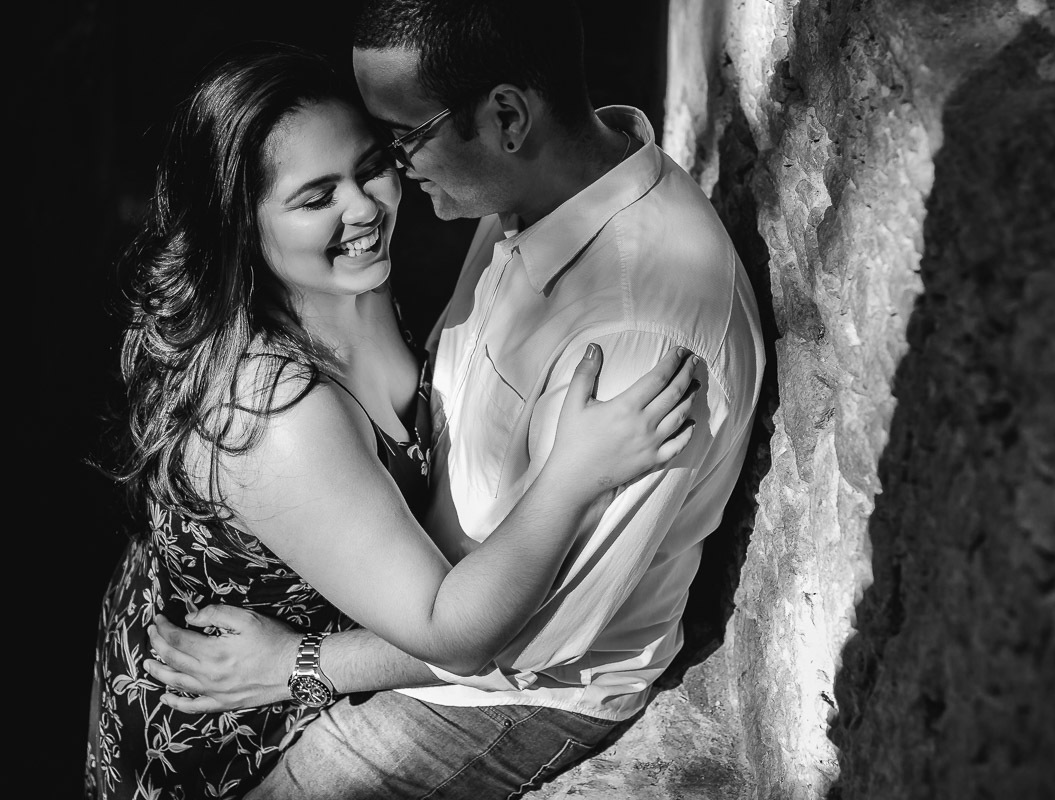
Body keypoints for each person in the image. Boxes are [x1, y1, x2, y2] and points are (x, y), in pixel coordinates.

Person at [147, 0, 767, 796]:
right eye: (318, 191)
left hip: (483, 690)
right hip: (255, 665)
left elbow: (536, 633)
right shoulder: (520, 210)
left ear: (507, 117)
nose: (388, 182)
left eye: (395, 143)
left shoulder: (635, 332)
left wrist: (301, 665)